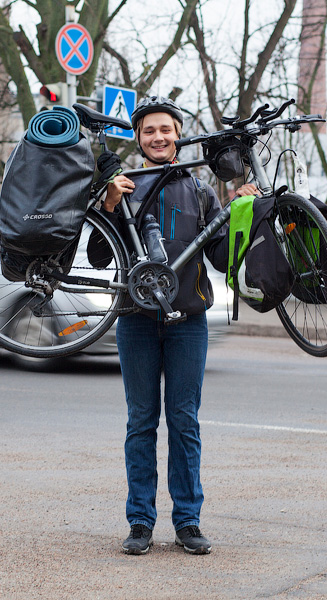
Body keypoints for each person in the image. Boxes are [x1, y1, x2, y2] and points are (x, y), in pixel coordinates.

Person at [100, 96, 256, 556]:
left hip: (189, 320)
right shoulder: (124, 186)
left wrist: (240, 212)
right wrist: (109, 204)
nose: (158, 137)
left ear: (178, 135)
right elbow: (98, 256)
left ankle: (188, 521)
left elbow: (222, 257)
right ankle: (140, 522)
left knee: (184, 421)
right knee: (141, 422)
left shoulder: (201, 191)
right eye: (149, 130)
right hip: (135, 320)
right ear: (138, 138)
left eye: (165, 129)